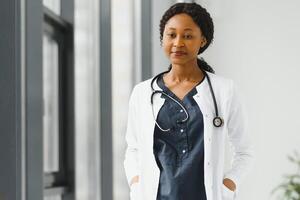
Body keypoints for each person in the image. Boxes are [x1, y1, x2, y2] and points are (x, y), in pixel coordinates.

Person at [123, 2, 254, 200]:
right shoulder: (142, 92)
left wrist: (229, 185)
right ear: (162, 38)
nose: (178, 43)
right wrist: (136, 183)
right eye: (171, 34)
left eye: (187, 36)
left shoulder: (224, 90)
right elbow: (133, 149)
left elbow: (245, 151)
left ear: (203, 40)